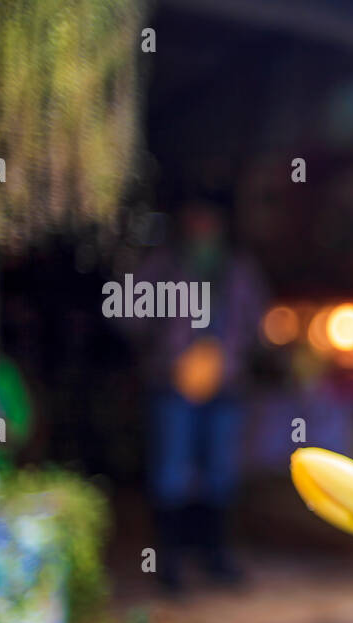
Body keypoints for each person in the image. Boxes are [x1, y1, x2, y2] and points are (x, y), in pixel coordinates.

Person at [123, 196, 268, 591]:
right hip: (173, 385)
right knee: (171, 470)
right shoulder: (163, 264)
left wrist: (232, 354)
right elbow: (129, 315)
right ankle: (168, 563)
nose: (203, 224)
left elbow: (258, 322)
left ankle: (216, 557)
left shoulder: (238, 267)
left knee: (221, 471)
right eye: (196, 216)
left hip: (226, 383)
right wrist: (166, 351)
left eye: (210, 216)